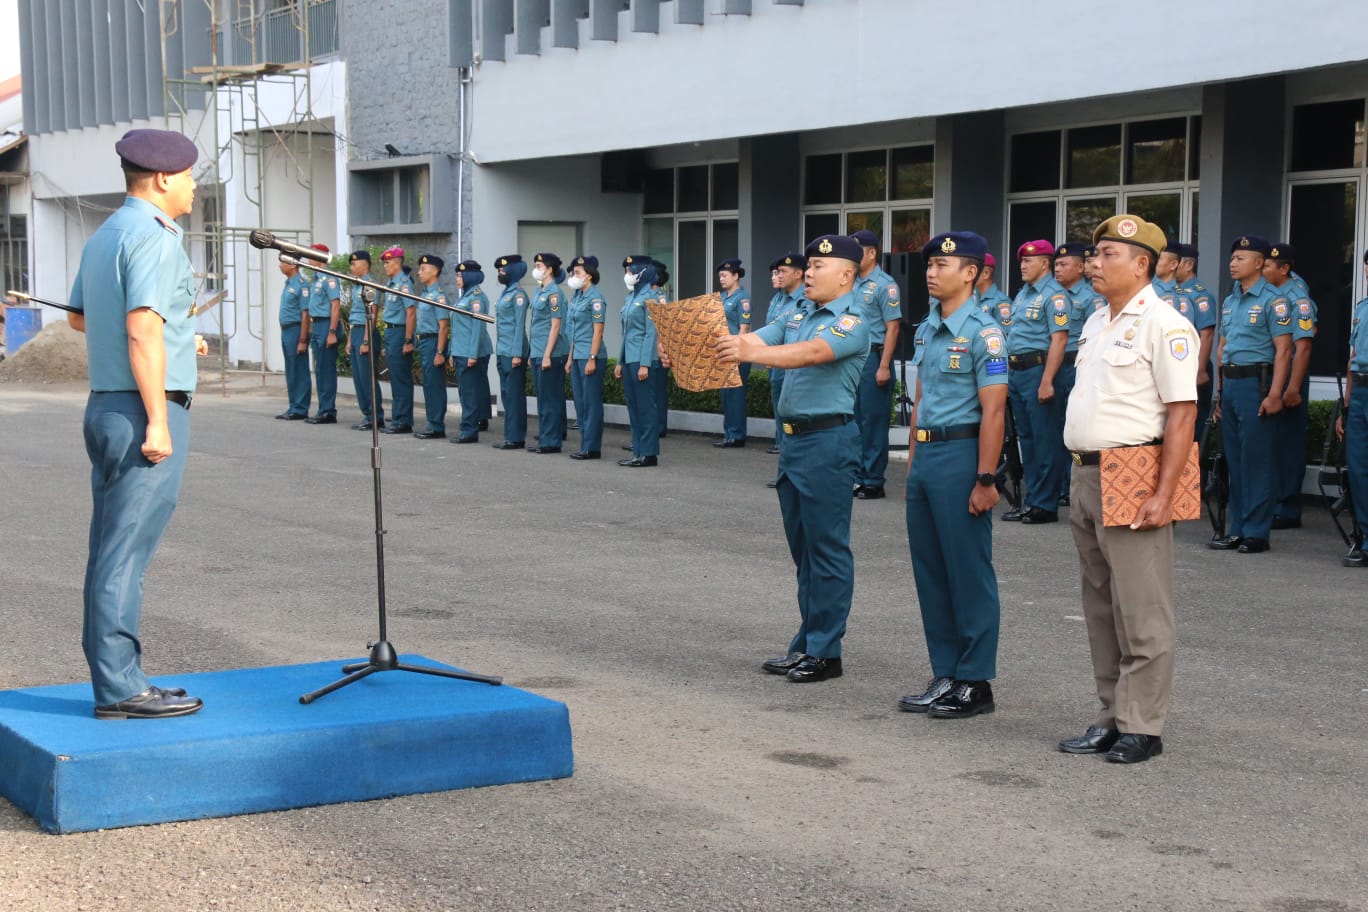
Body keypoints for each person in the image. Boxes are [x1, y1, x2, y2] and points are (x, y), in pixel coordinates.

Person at [64, 128, 205, 718]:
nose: (195, 187)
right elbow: (141, 328)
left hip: (106, 404)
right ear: (165, 179)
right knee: (126, 554)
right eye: (191, 176)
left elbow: (80, 319)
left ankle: (115, 675)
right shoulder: (155, 237)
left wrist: (177, 341)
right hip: (141, 408)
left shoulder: (106, 234)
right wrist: (158, 420)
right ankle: (121, 688)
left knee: (109, 549)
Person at [1059, 214, 1198, 764]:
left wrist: (1163, 493)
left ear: (1142, 264)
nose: (1094, 264)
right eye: (1094, 255)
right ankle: (1109, 715)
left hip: (1134, 473)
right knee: (1100, 606)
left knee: (1142, 607)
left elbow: (1182, 414)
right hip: (1087, 473)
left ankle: (1143, 724)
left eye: (1107, 255)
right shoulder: (1097, 322)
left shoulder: (1166, 324)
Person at [716, 234, 870, 683]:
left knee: (827, 550)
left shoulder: (851, 320)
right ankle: (807, 641)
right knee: (804, 552)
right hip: (795, 445)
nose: (809, 273)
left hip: (828, 442)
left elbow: (810, 354)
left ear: (846, 274)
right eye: (809, 267)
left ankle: (826, 651)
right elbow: (755, 339)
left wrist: (751, 351)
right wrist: (709, 342)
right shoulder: (798, 312)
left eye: (819, 268)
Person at [897, 232, 1008, 719]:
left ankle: (975, 680)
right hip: (927, 459)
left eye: (943, 265)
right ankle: (946, 671)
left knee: (967, 570)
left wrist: (986, 478)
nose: (931, 272)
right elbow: (921, 398)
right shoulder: (926, 329)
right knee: (932, 570)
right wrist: (912, 460)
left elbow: (994, 412)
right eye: (929, 265)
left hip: (964, 455)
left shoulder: (985, 333)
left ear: (971, 273)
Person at [1209, 235, 1292, 553]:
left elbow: (1284, 351)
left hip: (1257, 386)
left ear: (1259, 263)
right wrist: (1219, 393)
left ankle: (1257, 531)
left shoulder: (1275, 300)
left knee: (1256, 459)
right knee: (1234, 460)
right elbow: (1223, 348)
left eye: (1241, 258)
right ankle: (1238, 528)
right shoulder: (1230, 301)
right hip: (1231, 385)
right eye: (1232, 258)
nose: (1233, 263)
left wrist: (1275, 394)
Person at [1005, 240, 1070, 523]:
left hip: (1038, 370)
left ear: (1044, 263)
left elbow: (1059, 339)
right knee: (1027, 439)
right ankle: (1032, 499)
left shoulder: (1055, 296)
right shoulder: (1022, 294)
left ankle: (1046, 503)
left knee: (1045, 439)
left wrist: (1047, 380)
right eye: (1022, 261)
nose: (1023, 265)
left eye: (1029, 261)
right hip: (1017, 372)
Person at [1263, 244, 1317, 529]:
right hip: (1272, 374)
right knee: (1271, 443)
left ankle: (1287, 507)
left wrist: (1293, 387)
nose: (1263, 270)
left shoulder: (1299, 298)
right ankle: (1271, 503)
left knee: (1288, 443)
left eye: (1268, 266)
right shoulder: (1271, 294)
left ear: (1284, 269)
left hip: (1289, 376)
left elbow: (1303, 347)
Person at [849, 229, 902, 500]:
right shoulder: (851, 282)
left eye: (858, 250)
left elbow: (892, 328)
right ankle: (857, 475)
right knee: (855, 420)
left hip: (874, 357)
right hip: (853, 358)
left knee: (874, 421)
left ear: (871, 252)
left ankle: (873, 479)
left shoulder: (885, 284)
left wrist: (884, 366)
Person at [1052, 241, 1094, 506]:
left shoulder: (1091, 298)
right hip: (1055, 365)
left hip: (1076, 366)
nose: (1058, 269)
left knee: (1075, 426)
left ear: (1080, 268)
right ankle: (1057, 485)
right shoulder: (1052, 296)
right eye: (1055, 264)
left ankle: (1071, 483)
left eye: (1064, 264)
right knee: (1055, 428)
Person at [1336, 250, 1368, 567]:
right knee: (1358, 469)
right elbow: (1352, 357)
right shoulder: (1361, 308)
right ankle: (1364, 538)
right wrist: (1345, 404)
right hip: (1360, 390)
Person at [764, 252, 807, 476]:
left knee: (794, 420)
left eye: (783, 272)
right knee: (782, 415)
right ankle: (785, 469)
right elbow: (770, 330)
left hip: (795, 366)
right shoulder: (779, 298)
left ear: (798, 274)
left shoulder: (806, 299)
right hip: (778, 362)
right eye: (777, 272)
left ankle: (793, 471)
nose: (779, 276)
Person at [617, 254, 662, 467]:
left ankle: (649, 452)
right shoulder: (630, 298)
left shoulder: (650, 298)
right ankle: (637, 450)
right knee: (633, 407)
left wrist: (645, 364)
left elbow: (650, 334)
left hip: (642, 359)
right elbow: (625, 333)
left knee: (646, 407)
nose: (627, 275)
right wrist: (619, 361)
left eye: (630, 271)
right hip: (629, 358)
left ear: (642, 272)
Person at [1173, 243, 1218, 438]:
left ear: (1189, 265)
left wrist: (1199, 371)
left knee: (1193, 428)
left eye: (1177, 262)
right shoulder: (1170, 293)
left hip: (1194, 365)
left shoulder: (1200, 295)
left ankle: (1195, 468)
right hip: (1176, 365)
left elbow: (1206, 335)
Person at [566, 254, 607, 459]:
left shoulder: (596, 299)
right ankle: (585, 443)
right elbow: (573, 330)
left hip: (591, 355)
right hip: (577, 355)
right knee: (580, 402)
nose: (574, 276)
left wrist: (592, 357)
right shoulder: (576, 297)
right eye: (573, 272)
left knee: (591, 403)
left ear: (589, 276)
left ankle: (592, 447)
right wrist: (570, 357)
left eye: (578, 273)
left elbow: (598, 331)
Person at [528, 252, 569, 454]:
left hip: (550, 353)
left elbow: (555, 326)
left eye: (539, 265)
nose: (536, 269)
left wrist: (546, 355)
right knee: (542, 398)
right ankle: (545, 437)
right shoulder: (539, 291)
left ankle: (552, 441)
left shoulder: (555, 294)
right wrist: (533, 354)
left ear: (550, 269)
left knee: (550, 399)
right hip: (537, 351)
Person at [449, 260, 492, 444]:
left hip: (469, 351)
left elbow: (477, 327)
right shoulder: (464, 296)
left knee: (469, 393)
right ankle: (474, 423)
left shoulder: (476, 298)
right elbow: (458, 327)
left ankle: (469, 430)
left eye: (460, 275)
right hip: (461, 350)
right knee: (468, 391)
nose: (457, 278)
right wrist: (452, 352)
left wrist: (473, 354)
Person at [492, 254, 530, 450]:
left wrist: (517, 354)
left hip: (513, 352)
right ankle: (510, 435)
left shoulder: (519, 295)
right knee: (507, 395)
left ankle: (515, 437)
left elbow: (518, 326)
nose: (501, 273)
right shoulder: (506, 293)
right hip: (503, 351)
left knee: (514, 396)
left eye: (503, 270)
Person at [345, 250, 385, 431]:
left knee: (367, 378)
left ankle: (375, 416)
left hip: (366, 333)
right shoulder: (356, 285)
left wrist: (367, 340)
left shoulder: (369, 285)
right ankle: (367, 414)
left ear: (365, 265)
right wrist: (349, 340)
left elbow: (372, 315)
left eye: (354, 264)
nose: (351, 267)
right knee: (358, 378)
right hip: (356, 332)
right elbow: (354, 315)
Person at [302, 243, 342, 425]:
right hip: (317, 325)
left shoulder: (329, 279)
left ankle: (328, 411)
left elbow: (335, 305)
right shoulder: (317, 279)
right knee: (319, 369)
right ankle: (322, 408)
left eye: (312, 255)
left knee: (326, 369)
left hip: (326, 325)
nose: (309, 259)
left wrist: (332, 331)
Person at [379, 247, 416, 435]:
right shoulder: (392, 282)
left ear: (397, 263)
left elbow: (410, 312)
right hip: (392, 333)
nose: (385, 266)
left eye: (388, 263)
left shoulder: (404, 284)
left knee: (401, 379)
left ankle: (403, 420)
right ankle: (398, 414)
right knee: (395, 377)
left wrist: (408, 340)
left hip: (401, 333)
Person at [715, 258, 752, 447]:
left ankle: (737, 435)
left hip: (737, 352)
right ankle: (728, 433)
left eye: (724, 275)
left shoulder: (741, 298)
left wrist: (738, 351)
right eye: (720, 276)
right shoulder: (722, 297)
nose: (721, 279)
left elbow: (744, 328)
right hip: (724, 351)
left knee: (736, 394)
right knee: (726, 395)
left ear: (735, 276)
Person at [413, 253, 450, 440]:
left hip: (434, 341)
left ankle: (436, 425)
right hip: (424, 342)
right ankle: (432, 422)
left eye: (423, 269)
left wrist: (440, 351)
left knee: (434, 385)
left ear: (435, 271)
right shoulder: (426, 294)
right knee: (428, 384)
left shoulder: (439, 296)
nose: (419, 272)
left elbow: (443, 326)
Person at [275, 255, 310, 420]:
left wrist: (302, 339)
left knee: (299, 369)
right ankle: (293, 405)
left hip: (296, 329)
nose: (280, 265)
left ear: (292, 264)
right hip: (287, 330)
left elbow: (305, 314)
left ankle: (300, 407)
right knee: (291, 369)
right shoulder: (288, 284)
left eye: (283, 262)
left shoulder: (301, 285)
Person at [976, 252, 1013, 328]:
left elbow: (1006, 334)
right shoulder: (973, 297)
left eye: (975, 270)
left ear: (986, 273)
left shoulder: (1001, 302)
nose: (970, 273)